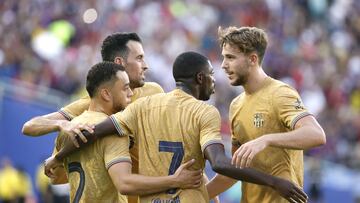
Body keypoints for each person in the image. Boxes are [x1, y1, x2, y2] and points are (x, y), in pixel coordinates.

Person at [46, 52, 308, 203]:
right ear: (199, 78)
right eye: (211, 77)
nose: (215, 84)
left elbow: (92, 133)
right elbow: (219, 164)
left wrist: (58, 157)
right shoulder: (204, 112)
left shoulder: (142, 107)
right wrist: (273, 182)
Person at [22, 32, 164, 203]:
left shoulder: (154, 92)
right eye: (140, 58)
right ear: (119, 62)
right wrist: (62, 124)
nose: (146, 65)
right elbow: (29, 126)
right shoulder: (91, 105)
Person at [48, 61, 202, 202]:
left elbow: (55, 177)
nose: (131, 93)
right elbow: (124, 183)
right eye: (125, 88)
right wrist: (174, 180)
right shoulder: (115, 132)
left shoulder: (70, 128)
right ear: (106, 94)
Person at [209, 26, 326, 202]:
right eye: (224, 58)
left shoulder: (279, 93)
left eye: (231, 58)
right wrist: (193, 196)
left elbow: (316, 135)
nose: (224, 65)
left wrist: (266, 139)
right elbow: (236, 169)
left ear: (252, 59)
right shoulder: (236, 105)